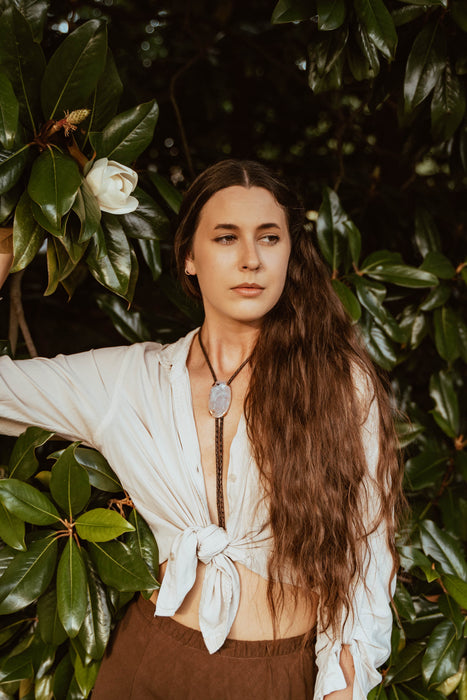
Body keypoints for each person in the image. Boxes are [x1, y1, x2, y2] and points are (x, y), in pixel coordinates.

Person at [0, 159, 403, 700]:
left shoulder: (337, 384)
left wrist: (341, 690)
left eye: (269, 237)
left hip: (276, 674)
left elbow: (366, 557)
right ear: (190, 256)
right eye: (226, 237)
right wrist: (12, 233)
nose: (251, 259)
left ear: (290, 253)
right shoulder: (130, 380)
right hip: (147, 662)